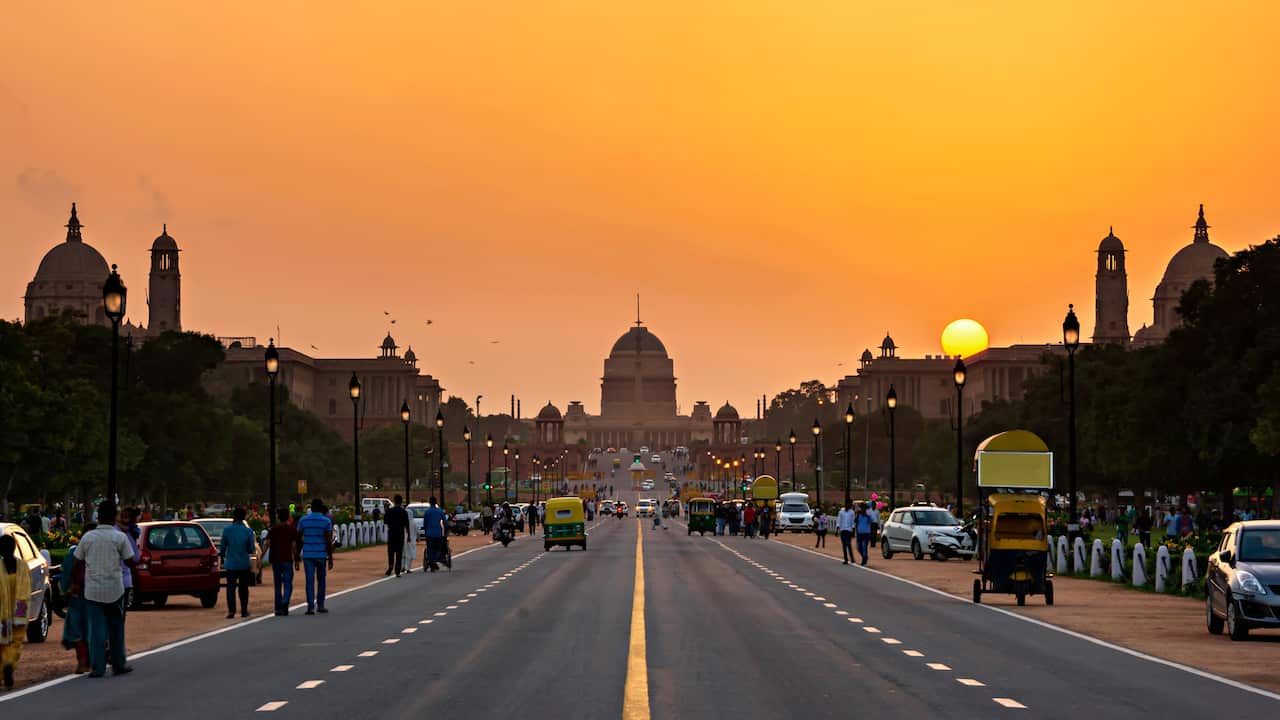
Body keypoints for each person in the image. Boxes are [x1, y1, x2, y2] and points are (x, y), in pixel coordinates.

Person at [71, 501, 136, 678]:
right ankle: (118, 664)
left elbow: (78, 563)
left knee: (95, 630)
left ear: (98, 516)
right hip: (115, 588)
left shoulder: (88, 538)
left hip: (93, 590)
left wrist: (76, 584)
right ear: (114, 516)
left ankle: (97, 667)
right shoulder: (119, 537)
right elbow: (130, 560)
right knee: (116, 629)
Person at [60, 523, 94, 673]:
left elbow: (66, 574)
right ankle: (90, 660)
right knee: (93, 628)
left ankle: (82, 661)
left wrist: (64, 591)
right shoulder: (99, 552)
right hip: (95, 596)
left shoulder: (73, 552)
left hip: (76, 595)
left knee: (77, 629)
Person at [1, 534, 31, 689]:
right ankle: (10, 664)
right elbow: (28, 588)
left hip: (2, 614)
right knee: (16, 642)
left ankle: (3, 668)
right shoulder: (22, 566)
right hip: (19, 610)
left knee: (2, 643)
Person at [296, 499, 334, 615]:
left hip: (307, 554)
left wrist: (297, 555)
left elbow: (298, 539)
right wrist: (330, 557)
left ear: (311, 508)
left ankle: (310, 606)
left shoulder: (303, 520)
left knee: (309, 581)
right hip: (321, 554)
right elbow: (328, 540)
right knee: (321, 580)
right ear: (321, 508)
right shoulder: (326, 521)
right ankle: (321, 605)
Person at [220, 507, 257, 619]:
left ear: (234, 517)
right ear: (244, 517)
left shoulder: (227, 530)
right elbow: (251, 548)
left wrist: (222, 556)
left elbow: (222, 547)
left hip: (231, 563)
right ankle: (244, 611)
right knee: (243, 588)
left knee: (230, 588)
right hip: (243, 563)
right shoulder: (248, 531)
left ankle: (231, 611)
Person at [262, 509, 299, 616]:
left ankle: (278, 608)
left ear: (278, 517)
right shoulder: (291, 529)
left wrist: (261, 558)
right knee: (288, 582)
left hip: (275, 560)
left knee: (277, 584)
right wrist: (296, 559)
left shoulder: (273, 529)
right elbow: (294, 547)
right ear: (288, 517)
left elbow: (267, 544)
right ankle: (285, 601)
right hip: (287, 559)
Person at [383, 495, 410, 577]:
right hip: (400, 533)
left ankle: (390, 566)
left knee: (390, 551)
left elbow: (385, 522)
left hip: (391, 533)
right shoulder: (404, 512)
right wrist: (409, 536)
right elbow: (407, 524)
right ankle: (397, 570)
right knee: (399, 552)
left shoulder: (389, 511)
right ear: (401, 502)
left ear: (394, 501)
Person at [422, 496, 447, 572]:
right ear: (436, 502)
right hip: (438, 533)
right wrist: (446, 531)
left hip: (429, 533)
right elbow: (445, 522)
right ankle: (434, 561)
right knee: (438, 548)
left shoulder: (427, 512)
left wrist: (425, 532)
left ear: (429, 503)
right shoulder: (440, 511)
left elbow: (425, 523)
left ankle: (432, 562)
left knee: (430, 549)